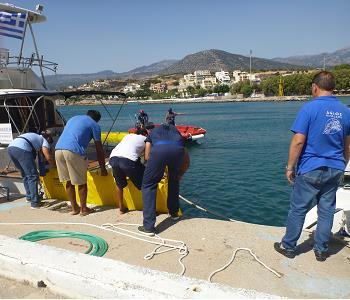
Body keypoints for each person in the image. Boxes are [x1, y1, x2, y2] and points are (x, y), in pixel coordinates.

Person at [274, 71, 350, 261]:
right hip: (335, 168)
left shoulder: (309, 109)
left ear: (315, 87)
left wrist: (290, 167)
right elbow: (348, 144)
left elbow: (298, 141)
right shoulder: (345, 111)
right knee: (326, 210)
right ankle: (321, 250)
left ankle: (289, 246)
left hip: (310, 168)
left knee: (298, 209)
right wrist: (344, 164)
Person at [138, 122, 190, 236]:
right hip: (178, 151)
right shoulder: (177, 134)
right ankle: (174, 214)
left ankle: (148, 227)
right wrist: (179, 174)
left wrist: (155, 170)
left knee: (148, 185)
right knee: (174, 181)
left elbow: (147, 156)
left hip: (159, 151)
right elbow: (186, 161)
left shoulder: (153, 133)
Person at [55, 110, 108, 216]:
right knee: (81, 182)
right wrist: (103, 168)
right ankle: (83, 209)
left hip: (58, 149)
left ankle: (75, 208)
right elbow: (99, 149)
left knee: (68, 181)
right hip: (73, 150)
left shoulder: (73, 118)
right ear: (97, 120)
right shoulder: (94, 125)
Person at [7, 130, 55, 208]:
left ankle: (29, 197)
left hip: (11, 148)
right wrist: (54, 166)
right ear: (48, 139)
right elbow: (48, 157)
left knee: (25, 175)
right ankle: (35, 203)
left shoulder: (35, 136)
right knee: (33, 176)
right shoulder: (44, 141)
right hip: (21, 149)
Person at [109, 128, 148, 214]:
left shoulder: (128, 136)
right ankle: (148, 210)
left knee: (119, 184)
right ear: (145, 134)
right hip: (127, 161)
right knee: (145, 185)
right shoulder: (146, 139)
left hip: (113, 159)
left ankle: (121, 208)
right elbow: (146, 158)